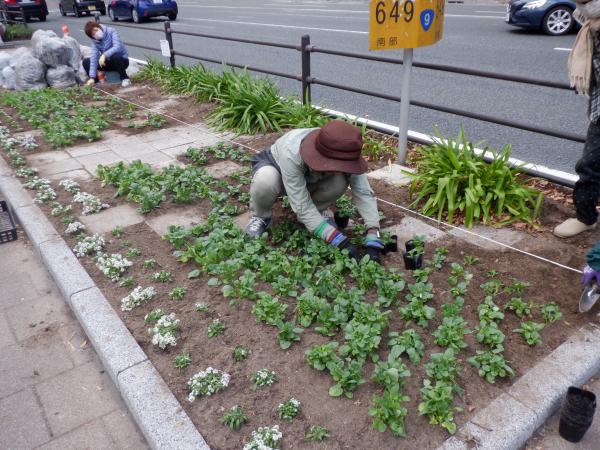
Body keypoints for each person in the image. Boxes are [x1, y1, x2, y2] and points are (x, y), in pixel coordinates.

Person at [244, 120, 385, 263]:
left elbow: (363, 192)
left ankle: (317, 212)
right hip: (279, 170)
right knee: (265, 180)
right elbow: (301, 205)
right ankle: (261, 217)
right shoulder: (291, 151)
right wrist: (339, 241)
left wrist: (374, 233)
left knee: (339, 181)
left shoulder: (346, 150)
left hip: (313, 177)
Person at [554, 0, 600, 237]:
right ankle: (585, 216)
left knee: (591, 165)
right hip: (599, 106)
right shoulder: (591, 19)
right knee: (590, 164)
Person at [82, 21, 131, 88]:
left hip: (122, 61)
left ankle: (125, 78)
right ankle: (95, 82)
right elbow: (94, 58)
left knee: (115, 56)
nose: (96, 34)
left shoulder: (111, 31)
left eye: (96, 30)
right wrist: (92, 77)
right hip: (108, 62)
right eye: (93, 34)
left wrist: (104, 55)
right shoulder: (95, 42)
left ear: (98, 26)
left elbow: (117, 46)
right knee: (86, 61)